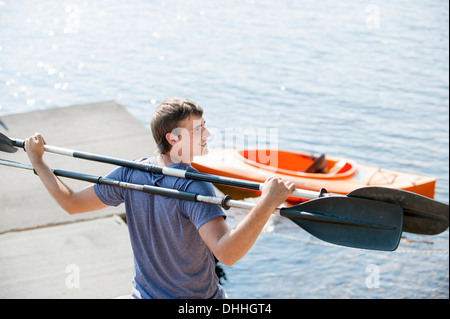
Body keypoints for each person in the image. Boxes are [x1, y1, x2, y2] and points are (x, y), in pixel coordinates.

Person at [24, 97, 295, 299]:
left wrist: (38, 161)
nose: (208, 135)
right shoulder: (195, 186)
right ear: (173, 138)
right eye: (199, 130)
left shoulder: (130, 173)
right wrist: (266, 204)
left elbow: (71, 204)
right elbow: (227, 253)